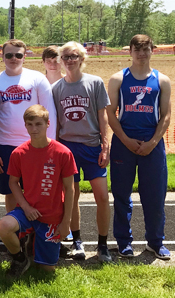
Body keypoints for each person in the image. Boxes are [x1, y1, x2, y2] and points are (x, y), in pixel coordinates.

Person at [106, 34, 172, 260]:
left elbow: (166, 116)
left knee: (154, 196)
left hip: (152, 143)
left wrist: (153, 142)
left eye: (146, 49)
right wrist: (125, 139)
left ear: (153, 50)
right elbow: (110, 114)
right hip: (124, 142)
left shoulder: (162, 80)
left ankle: (155, 242)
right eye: (138, 49)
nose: (142, 53)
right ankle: (124, 242)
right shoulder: (118, 79)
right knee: (122, 195)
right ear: (130, 51)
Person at [0, 105, 76, 277]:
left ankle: (33, 241)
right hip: (28, 211)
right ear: (25, 125)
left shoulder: (63, 153)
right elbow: (13, 183)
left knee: (46, 271)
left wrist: (66, 222)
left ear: (48, 124)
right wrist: (26, 207)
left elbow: (70, 189)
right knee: (4, 226)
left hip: (52, 215)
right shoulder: (19, 153)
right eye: (30, 124)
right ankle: (19, 259)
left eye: (38, 124)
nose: (34, 129)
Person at [52, 42, 111, 262]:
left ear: (82, 57)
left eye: (74, 56)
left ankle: (103, 244)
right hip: (68, 147)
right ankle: (77, 241)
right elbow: (56, 122)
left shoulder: (94, 83)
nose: (69, 60)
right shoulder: (56, 88)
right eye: (65, 56)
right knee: (71, 197)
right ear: (61, 60)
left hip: (92, 146)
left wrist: (105, 144)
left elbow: (102, 115)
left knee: (102, 197)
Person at [0, 39, 57, 213]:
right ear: (2, 57)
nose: (13, 58)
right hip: (4, 145)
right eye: (9, 55)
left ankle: (37, 230)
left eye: (18, 55)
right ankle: (14, 230)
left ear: (25, 56)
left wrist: (52, 146)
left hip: (35, 145)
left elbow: (50, 114)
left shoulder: (38, 78)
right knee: (10, 191)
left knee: (38, 190)